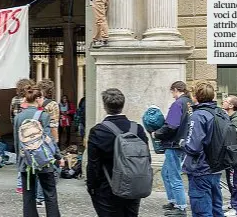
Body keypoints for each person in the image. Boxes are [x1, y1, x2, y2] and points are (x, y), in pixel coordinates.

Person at [87, 88, 149, 217]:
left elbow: (93, 164)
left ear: (105, 106)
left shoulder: (98, 131)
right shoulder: (137, 129)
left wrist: (92, 186)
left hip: (107, 187)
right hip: (133, 184)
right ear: (122, 105)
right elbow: (146, 158)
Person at [13, 84, 63, 217]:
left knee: (28, 196)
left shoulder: (18, 117)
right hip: (43, 161)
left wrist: (19, 162)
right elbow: (49, 140)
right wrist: (58, 156)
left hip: (26, 161)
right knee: (50, 194)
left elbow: (17, 142)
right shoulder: (44, 115)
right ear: (38, 99)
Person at [182, 80, 225, 217]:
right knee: (216, 209)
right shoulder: (220, 113)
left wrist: (182, 143)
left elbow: (193, 146)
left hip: (201, 168)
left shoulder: (198, 115)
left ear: (196, 97)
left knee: (202, 211)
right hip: (216, 167)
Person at [152, 81, 192, 217]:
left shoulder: (178, 104)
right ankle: (173, 201)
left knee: (174, 175)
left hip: (174, 144)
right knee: (165, 173)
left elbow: (171, 125)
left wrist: (156, 133)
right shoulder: (189, 103)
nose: (172, 95)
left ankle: (180, 207)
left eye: (172, 92)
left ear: (176, 90)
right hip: (182, 142)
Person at [35, 79, 61, 208]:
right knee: (54, 168)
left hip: (34, 140)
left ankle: (38, 196)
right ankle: (41, 197)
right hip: (48, 139)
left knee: (38, 167)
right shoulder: (53, 105)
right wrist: (56, 142)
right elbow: (54, 125)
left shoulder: (35, 103)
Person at [11, 79, 35, 194]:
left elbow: (11, 115)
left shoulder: (14, 100)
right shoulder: (29, 100)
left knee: (20, 155)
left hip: (18, 127)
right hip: (29, 130)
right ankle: (30, 181)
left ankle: (20, 184)